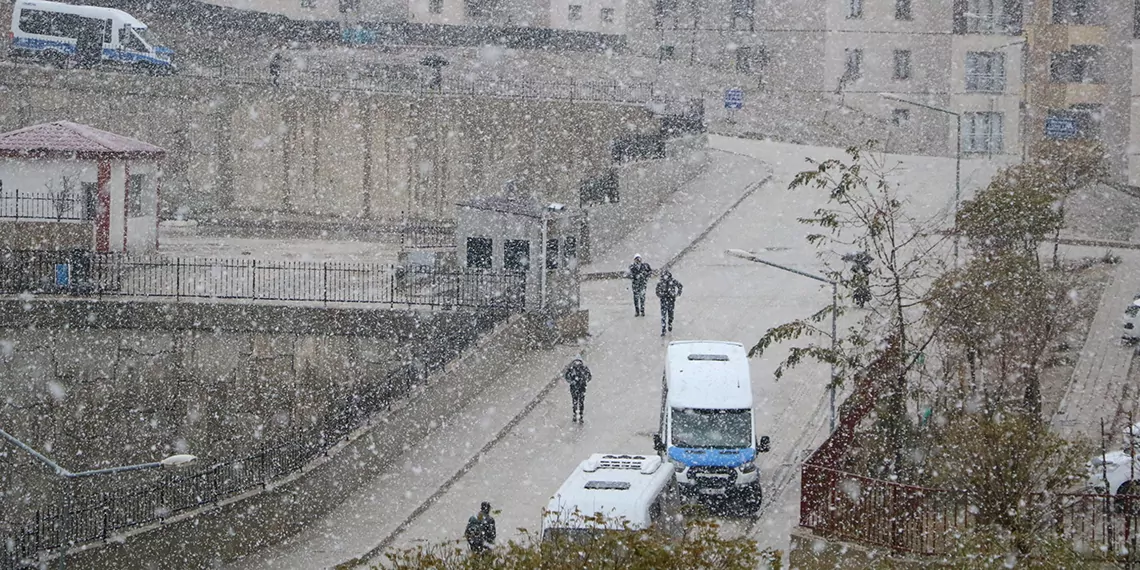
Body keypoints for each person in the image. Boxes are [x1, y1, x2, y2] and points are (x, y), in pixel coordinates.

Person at [563, 357, 592, 423]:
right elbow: (589, 377)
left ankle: (575, 415)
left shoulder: (571, 368)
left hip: (574, 387)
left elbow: (567, 377)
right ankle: (581, 416)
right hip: (582, 387)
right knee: (581, 402)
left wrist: (572, 382)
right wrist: (584, 381)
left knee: (575, 401)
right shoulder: (584, 368)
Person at [655, 270, 683, 336]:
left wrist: (677, 294)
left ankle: (670, 323)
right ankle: (663, 329)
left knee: (671, 315)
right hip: (663, 300)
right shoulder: (660, 282)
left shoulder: (673, 281)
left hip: (671, 300)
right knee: (663, 316)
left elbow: (680, 286)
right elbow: (657, 290)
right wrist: (660, 295)